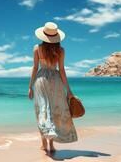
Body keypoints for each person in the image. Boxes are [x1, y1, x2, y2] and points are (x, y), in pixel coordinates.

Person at [28, 22, 78, 153]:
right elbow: (61, 70)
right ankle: (51, 145)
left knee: (42, 111)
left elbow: (34, 68)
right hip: (56, 81)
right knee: (53, 112)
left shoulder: (37, 49)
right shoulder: (60, 50)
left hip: (41, 80)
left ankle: (44, 143)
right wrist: (69, 90)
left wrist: (30, 86)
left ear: (43, 35)